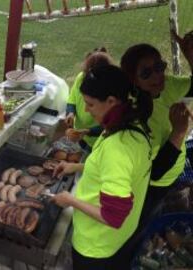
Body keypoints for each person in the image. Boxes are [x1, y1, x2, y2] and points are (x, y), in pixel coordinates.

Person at [52, 65, 153, 270]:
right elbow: (116, 171)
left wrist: (70, 199)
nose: (86, 109)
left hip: (96, 245)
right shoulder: (133, 125)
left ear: (111, 101)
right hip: (120, 238)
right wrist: (77, 167)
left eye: (90, 104)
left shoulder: (118, 147)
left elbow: (113, 217)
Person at [120, 37, 193, 219]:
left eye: (159, 67)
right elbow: (156, 170)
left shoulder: (168, 84)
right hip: (153, 184)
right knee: (147, 219)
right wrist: (179, 131)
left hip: (175, 169)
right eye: (146, 73)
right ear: (132, 78)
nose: (157, 76)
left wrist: (191, 58)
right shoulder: (134, 114)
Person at [65, 47, 114, 150]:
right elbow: (72, 99)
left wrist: (89, 131)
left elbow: (111, 124)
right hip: (82, 135)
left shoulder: (111, 93)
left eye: (90, 104)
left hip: (98, 141)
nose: (86, 109)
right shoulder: (82, 77)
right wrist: (70, 112)